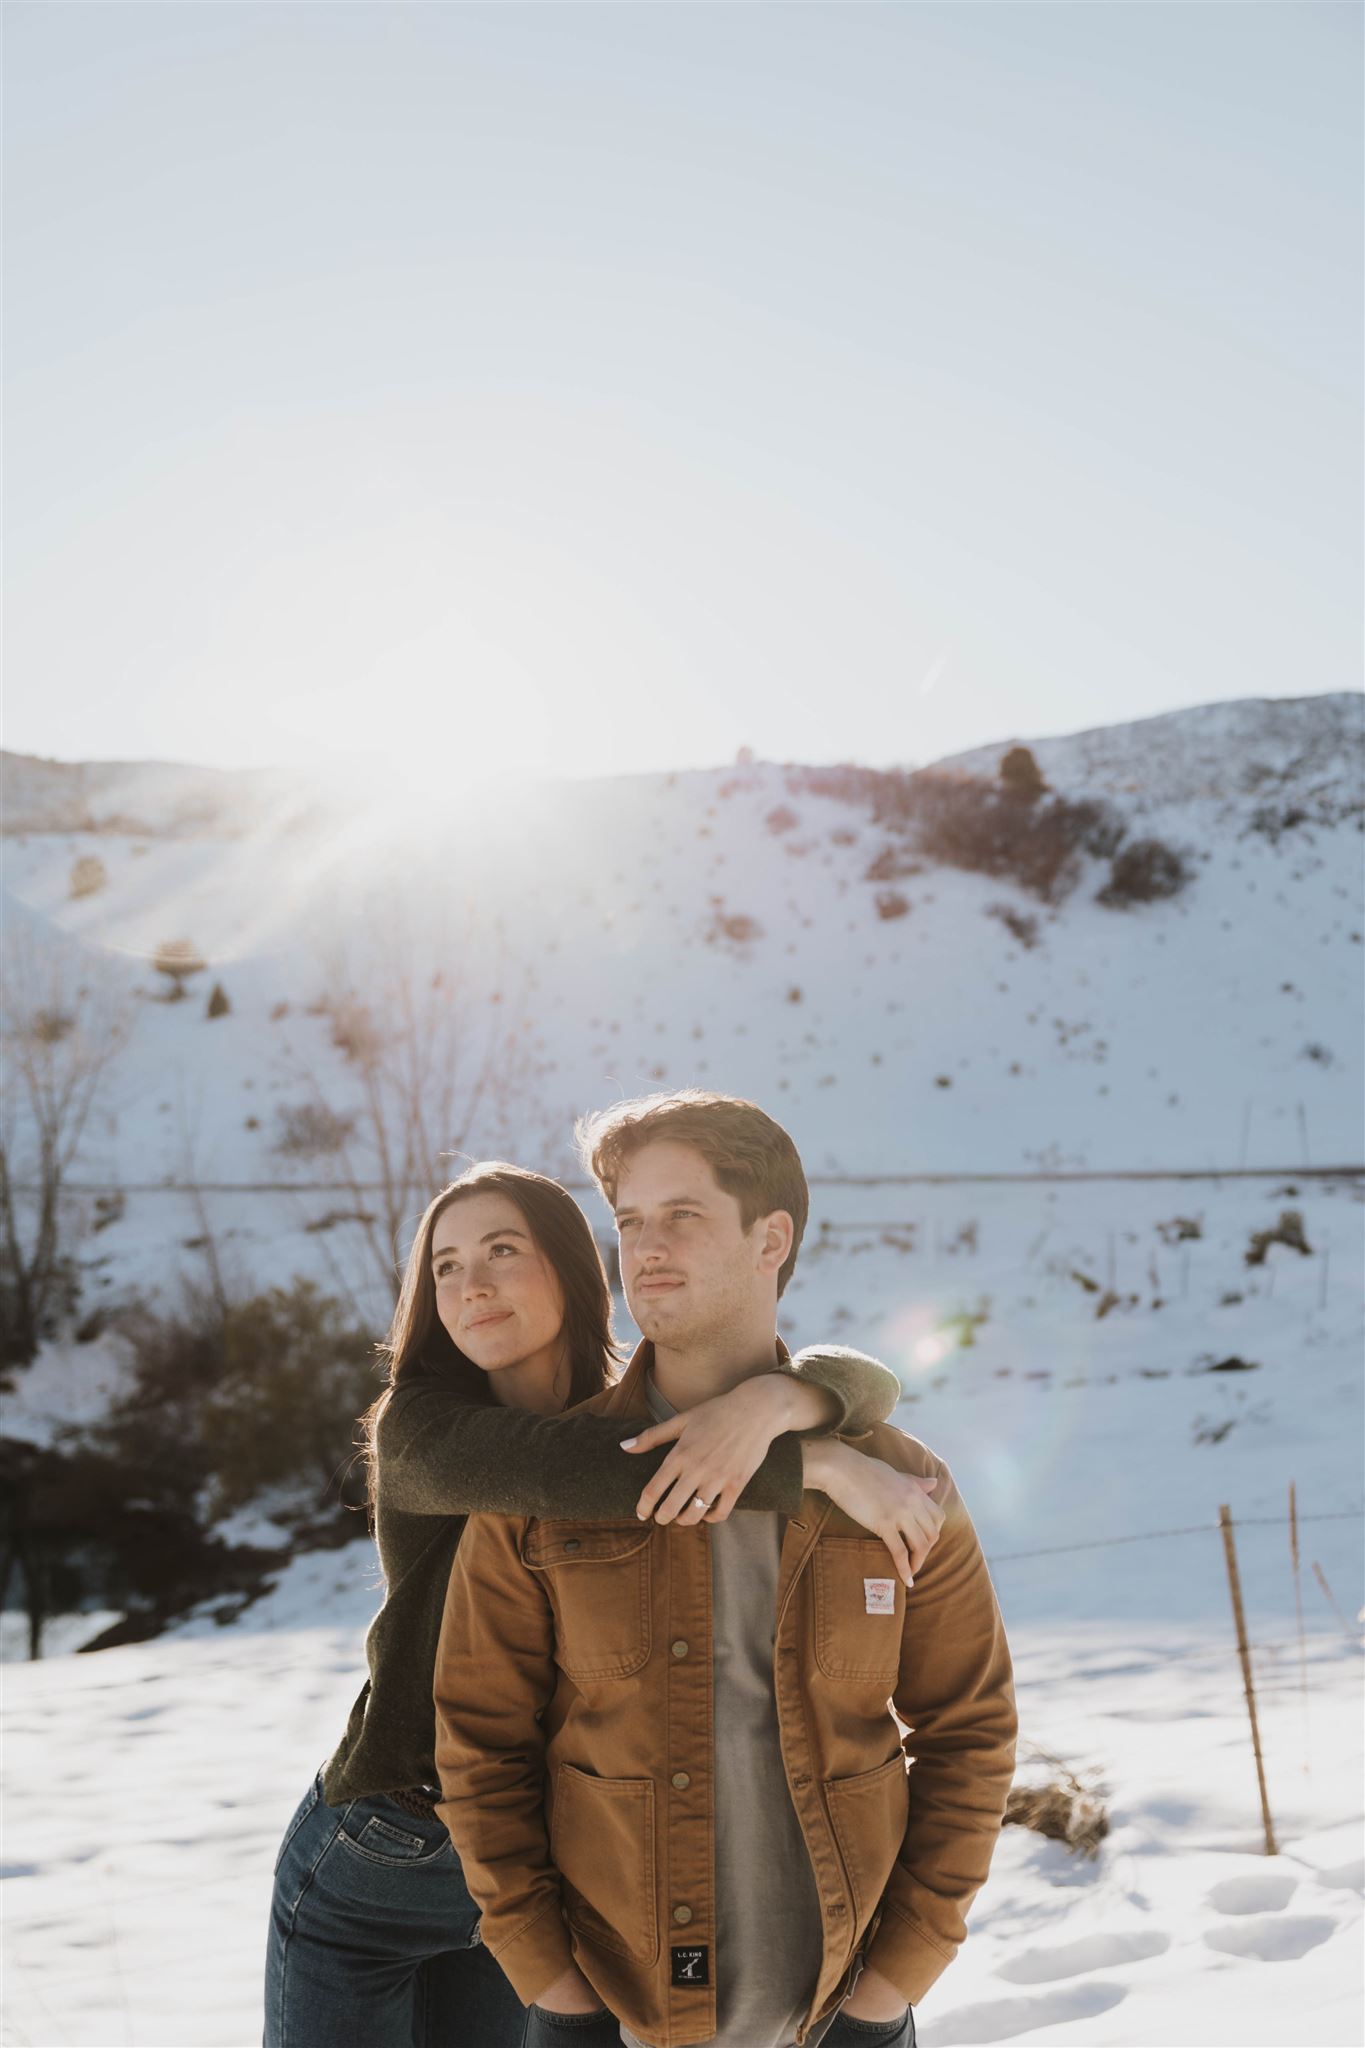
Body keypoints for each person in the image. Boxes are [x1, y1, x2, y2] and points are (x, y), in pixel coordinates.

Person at [264, 1158, 946, 2048]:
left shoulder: (629, 1413)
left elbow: (872, 1382)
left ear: (570, 1267)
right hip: (385, 1850)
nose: (470, 1286)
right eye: (444, 1267)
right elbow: (578, 1471)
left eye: (501, 1251)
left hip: (533, 1856)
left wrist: (786, 1393)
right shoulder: (423, 1429)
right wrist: (812, 1459)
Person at [433, 1097, 1017, 2048]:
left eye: (683, 1215)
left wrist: (890, 1990)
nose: (646, 1248)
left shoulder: (900, 1485)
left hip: (840, 2013)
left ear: (770, 1238)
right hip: (617, 2014)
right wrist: (554, 1990)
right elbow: (479, 1743)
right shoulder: (547, 1479)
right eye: (629, 1222)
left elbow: (972, 1731)